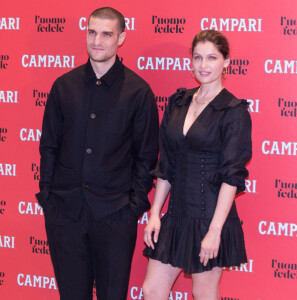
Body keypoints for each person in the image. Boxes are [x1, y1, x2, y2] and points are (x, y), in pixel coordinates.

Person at [35, 7, 159, 300]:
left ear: (122, 38)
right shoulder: (63, 86)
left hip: (116, 216)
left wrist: (132, 209)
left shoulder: (138, 92)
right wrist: (49, 198)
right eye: (92, 32)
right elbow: (49, 146)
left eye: (106, 33)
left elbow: (146, 156)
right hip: (65, 213)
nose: (97, 40)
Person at [143, 30, 252, 300]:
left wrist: (214, 231)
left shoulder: (233, 110)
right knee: (152, 289)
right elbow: (167, 163)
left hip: (211, 216)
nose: (203, 65)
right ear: (190, 61)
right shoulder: (177, 102)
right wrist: (156, 212)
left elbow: (231, 176)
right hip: (177, 214)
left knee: (203, 293)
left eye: (212, 58)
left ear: (226, 62)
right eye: (198, 57)